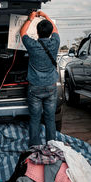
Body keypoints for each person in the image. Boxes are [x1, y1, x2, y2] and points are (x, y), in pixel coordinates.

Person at [20, 10, 60, 146]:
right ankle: (52, 146)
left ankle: (35, 146)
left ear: (37, 32)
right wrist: (45, 16)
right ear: (50, 33)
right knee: (50, 118)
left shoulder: (33, 45)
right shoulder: (55, 42)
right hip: (51, 86)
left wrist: (30, 18)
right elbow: (55, 29)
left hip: (35, 87)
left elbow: (22, 33)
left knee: (35, 118)